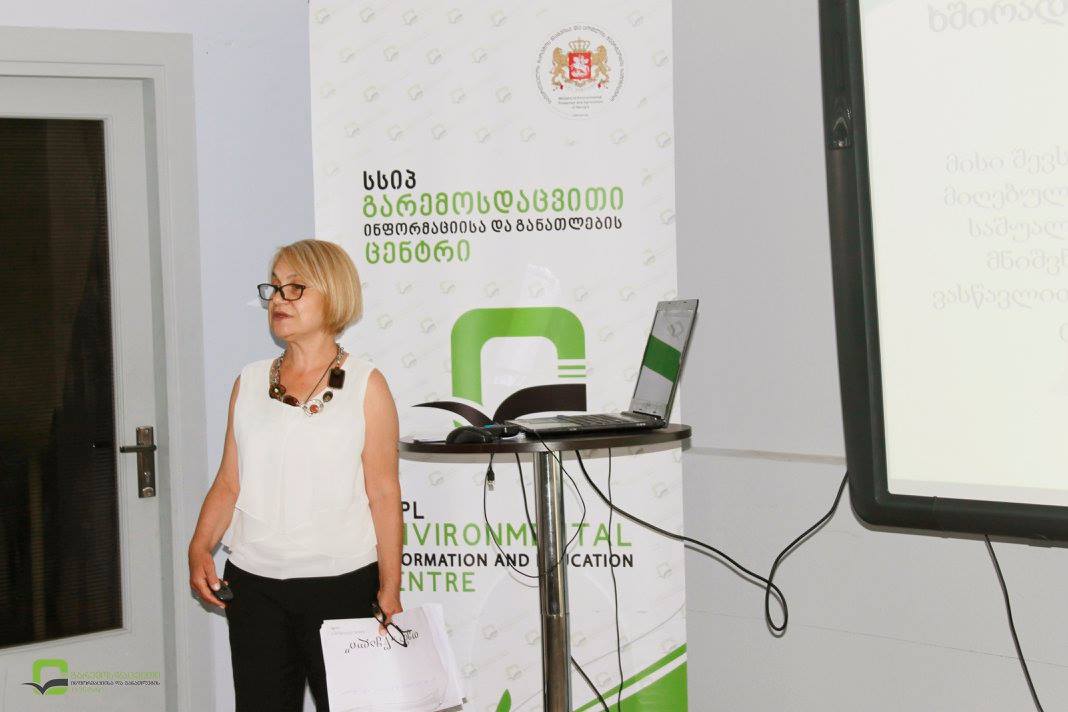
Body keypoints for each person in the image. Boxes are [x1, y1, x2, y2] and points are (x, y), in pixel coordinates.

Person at [187, 239, 402, 711]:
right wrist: (200, 546)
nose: (279, 299)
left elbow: (384, 493)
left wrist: (390, 586)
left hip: (342, 585)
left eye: (295, 288)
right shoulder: (248, 380)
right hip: (254, 587)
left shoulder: (367, 384)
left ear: (334, 294)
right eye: (274, 288)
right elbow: (229, 481)